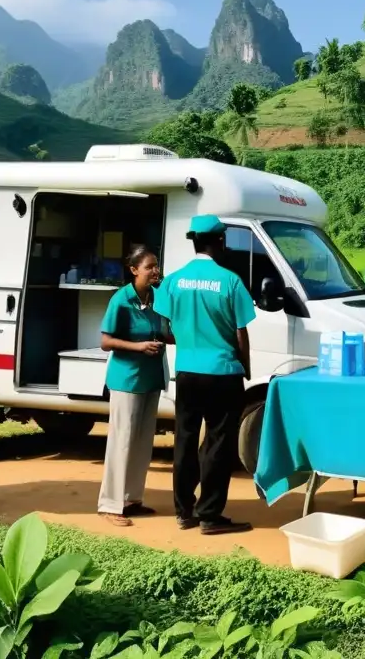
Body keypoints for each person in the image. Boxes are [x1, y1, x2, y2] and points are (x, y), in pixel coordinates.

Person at [153, 214, 256, 535]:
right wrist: (246, 365)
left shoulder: (173, 281)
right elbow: (241, 333)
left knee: (184, 439)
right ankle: (210, 514)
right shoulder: (230, 281)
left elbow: (163, 328)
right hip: (223, 373)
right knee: (217, 442)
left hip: (187, 372)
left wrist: (186, 340)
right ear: (220, 241)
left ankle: (184, 511)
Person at [97, 246, 172, 527]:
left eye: (156, 266)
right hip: (126, 380)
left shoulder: (156, 298)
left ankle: (132, 500)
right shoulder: (121, 299)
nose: (155, 271)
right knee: (121, 442)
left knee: (141, 444)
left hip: (151, 379)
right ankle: (109, 504)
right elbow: (106, 341)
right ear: (134, 270)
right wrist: (138, 347)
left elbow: (164, 332)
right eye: (150, 267)